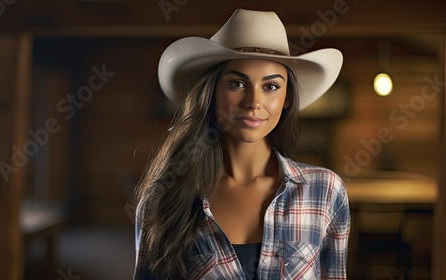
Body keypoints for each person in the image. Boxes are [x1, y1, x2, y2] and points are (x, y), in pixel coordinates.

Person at [133, 8, 350, 279]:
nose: (253, 102)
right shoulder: (163, 198)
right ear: (211, 92)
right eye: (236, 83)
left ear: (287, 99)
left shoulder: (325, 191)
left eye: (270, 86)